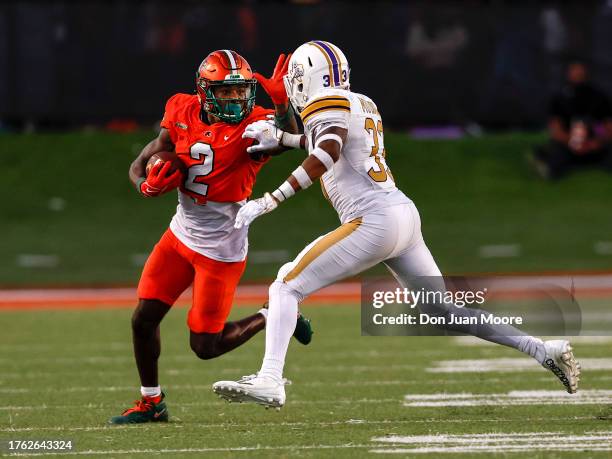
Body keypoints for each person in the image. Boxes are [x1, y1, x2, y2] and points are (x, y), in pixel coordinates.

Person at [211, 41, 581, 408]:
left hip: (373, 220)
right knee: (446, 312)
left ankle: (271, 379)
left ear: (306, 78)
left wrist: (270, 200)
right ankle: (541, 348)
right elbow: (324, 139)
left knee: (285, 285)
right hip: (402, 215)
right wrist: (283, 136)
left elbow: (327, 151)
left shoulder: (327, 103)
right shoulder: (360, 101)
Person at [110, 50, 313, 424]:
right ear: (204, 91)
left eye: (241, 92)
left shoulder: (255, 124)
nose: (237, 101)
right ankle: (151, 403)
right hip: (179, 235)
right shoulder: (181, 109)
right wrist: (145, 186)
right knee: (143, 319)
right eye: (227, 92)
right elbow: (147, 158)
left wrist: (281, 101)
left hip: (221, 247)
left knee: (205, 346)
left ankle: (273, 315)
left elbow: (291, 138)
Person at [532, 60, 612, 179]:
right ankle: (547, 161)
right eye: (574, 72)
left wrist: (595, 142)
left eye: (580, 73)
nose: (577, 76)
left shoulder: (598, 97)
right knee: (557, 157)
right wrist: (573, 143)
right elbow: (556, 130)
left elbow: (605, 125)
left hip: (594, 145)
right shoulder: (559, 99)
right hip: (568, 144)